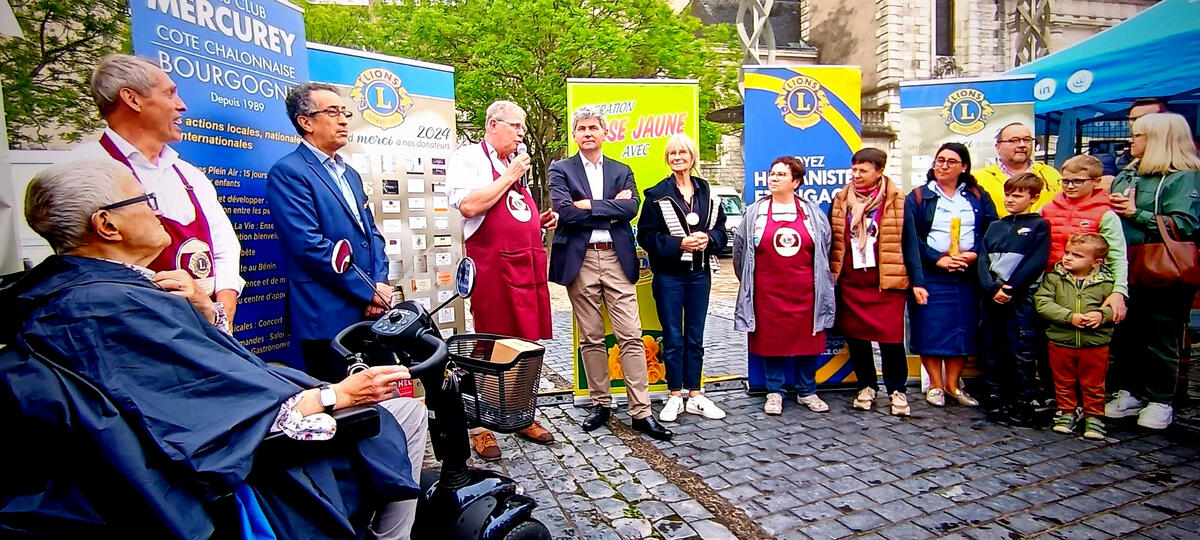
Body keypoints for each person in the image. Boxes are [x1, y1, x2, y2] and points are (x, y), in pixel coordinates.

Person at [7, 158, 426, 539]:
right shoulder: (110, 306)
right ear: (107, 225)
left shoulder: (81, 293)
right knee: (402, 413)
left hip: (177, 458)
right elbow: (207, 417)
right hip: (219, 477)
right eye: (145, 200)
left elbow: (191, 382)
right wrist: (338, 395)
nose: (158, 211)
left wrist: (206, 311)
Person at [74, 54, 243, 327]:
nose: (182, 105)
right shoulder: (85, 168)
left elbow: (224, 247)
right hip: (136, 329)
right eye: (169, 94)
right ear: (132, 99)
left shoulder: (189, 175)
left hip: (206, 327)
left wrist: (221, 312)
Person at [548, 106, 671, 441]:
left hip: (617, 258)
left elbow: (631, 209)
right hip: (581, 260)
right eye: (582, 128)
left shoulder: (622, 169)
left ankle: (641, 411)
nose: (588, 133)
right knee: (590, 336)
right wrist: (609, 207)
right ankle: (601, 404)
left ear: (605, 133)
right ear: (575, 134)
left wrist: (588, 204)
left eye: (593, 128)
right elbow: (565, 213)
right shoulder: (561, 169)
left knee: (630, 335)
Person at [446, 100, 557, 458]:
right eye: (516, 126)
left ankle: (520, 414)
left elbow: (512, 210)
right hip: (493, 267)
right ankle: (480, 426)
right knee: (489, 344)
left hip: (526, 266)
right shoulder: (468, 158)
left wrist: (536, 222)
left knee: (525, 344)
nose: (522, 134)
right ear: (493, 124)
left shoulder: (514, 164)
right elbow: (470, 206)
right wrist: (509, 176)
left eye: (523, 127)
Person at [266, 82, 394, 384]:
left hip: (371, 312)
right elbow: (307, 245)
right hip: (326, 317)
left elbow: (371, 235)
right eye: (333, 112)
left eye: (345, 112)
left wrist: (379, 283)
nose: (344, 120)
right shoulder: (289, 172)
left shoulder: (350, 174)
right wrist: (368, 290)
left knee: (387, 397)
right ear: (306, 122)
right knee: (346, 405)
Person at [1106, 112, 1200, 430]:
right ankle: (1130, 392)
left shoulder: (1184, 176)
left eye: (1138, 135)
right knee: (1126, 334)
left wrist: (1136, 214)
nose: (1131, 140)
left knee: (1161, 336)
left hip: (1162, 269)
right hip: (1125, 264)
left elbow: (1184, 224)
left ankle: (1161, 399)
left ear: (1158, 140)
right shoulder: (1129, 172)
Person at [733, 156, 835, 415]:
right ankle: (774, 392)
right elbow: (740, 253)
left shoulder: (813, 214)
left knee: (808, 342)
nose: (774, 179)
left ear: (796, 182)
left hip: (806, 293)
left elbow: (825, 248)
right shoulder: (754, 213)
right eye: (772, 174)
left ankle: (807, 391)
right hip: (767, 293)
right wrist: (750, 283)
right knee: (771, 342)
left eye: (781, 175)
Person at [636, 133, 727, 422]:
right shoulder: (656, 194)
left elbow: (721, 232)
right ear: (667, 158)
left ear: (692, 157)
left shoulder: (707, 192)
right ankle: (674, 395)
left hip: (700, 274)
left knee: (695, 336)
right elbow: (646, 236)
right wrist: (679, 244)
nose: (677, 157)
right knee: (673, 337)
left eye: (682, 152)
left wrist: (709, 239)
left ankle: (695, 395)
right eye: (672, 153)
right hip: (669, 277)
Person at [902, 142, 998, 407]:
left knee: (962, 331)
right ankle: (935, 385)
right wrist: (938, 259)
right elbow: (911, 238)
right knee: (930, 329)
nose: (943, 166)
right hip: (932, 272)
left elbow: (992, 230)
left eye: (950, 161)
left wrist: (974, 253)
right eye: (939, 160)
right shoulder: (919, 196)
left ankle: (953, 385)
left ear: (963, 167)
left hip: (966, 273)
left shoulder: (977, 195)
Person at [829, 148, 911, 416]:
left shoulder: (898, 200)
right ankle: (866, 386)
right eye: (853, 169)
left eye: (863, 170)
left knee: (891, 339)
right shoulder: (841, 199)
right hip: (852, 282)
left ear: (879, 171)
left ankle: (897, 389)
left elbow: (910, 242)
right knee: (857, 338)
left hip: (886, 283)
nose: (856, 175)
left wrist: (918, 281)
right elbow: (833, 240)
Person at [976, 172, 1049, 425]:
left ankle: (1022, 402)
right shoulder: (996, 226)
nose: (1010, 200)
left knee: (1021, 350)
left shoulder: (1039, 226)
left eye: (1017, 195)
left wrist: (1010, 288)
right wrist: (991, 287)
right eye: (1008, 195)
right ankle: (995, 398)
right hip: (992, 296)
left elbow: (1035, 262)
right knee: (991, 347)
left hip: (1020, 297)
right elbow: (982, 260)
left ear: (1034, 198)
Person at [1035, 233, 1116, 440]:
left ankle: (1094, 416)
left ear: (1096, 262)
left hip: (1095, 344)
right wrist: (1069, 317)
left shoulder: (1107, 282)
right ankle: (1067, 412)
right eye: (1067, 253)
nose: (1068, 258)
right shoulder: (1054, 278)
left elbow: (1116, 308)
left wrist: (1101, 315)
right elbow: (1043, 303)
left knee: (1094, 383)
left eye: (1077, 255)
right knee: (1063, 381)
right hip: (1061, 341)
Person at [1040, 154, 1129, 323]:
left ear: (1096, 181)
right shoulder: (1046, 209)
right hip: (1049, 284)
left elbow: (1117, 256)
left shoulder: (1106, 214)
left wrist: (1119, 291)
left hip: (1089, 287)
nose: (1070, 186)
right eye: (1065, 181)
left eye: (1077, 181)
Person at [974, 122, 1062, 216]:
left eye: (1027, 140)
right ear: (998, 147)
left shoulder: (1050, 174)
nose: (1022, 145)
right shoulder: (979, 179)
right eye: (1014, 140)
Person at [1114, 98, 1169, 173]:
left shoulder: (1177, 168)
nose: (1137, 123)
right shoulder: (1129, 157)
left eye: (1144, 119)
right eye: (1133, 119)